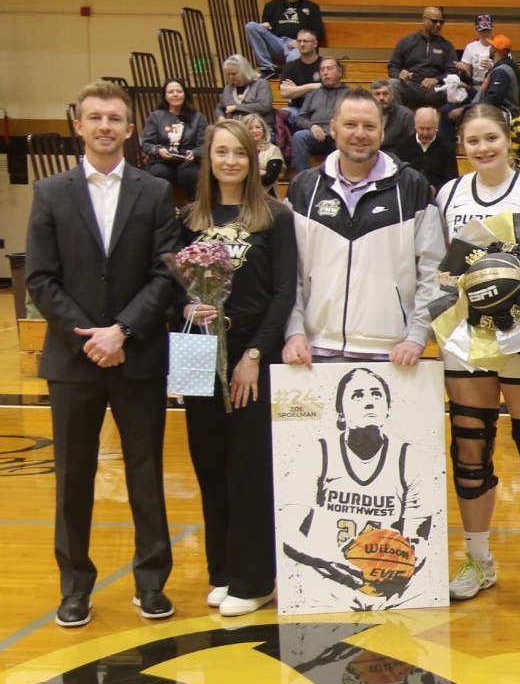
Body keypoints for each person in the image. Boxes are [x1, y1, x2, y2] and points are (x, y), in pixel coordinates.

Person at [27, 81, 184, 628]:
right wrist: (89, 339)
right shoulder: (50, 193)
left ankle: (151, 583)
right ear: (79, 124)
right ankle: (74, 587)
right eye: (95, 117)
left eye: (115, 118)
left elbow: (166, 272)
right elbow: (42, 280)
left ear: (129, 128)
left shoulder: (154, 191)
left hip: (137, 354)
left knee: (145, 473)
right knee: (72, 477)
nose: (105, 127)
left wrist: (121, 331)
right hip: (72, 363)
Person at [430, 106, 520, 605]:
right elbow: (440, 266)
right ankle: (478, 560)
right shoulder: (448, 195)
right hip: (469, 340)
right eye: (473, 140)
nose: (483, 147)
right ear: (462, 145)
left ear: (508, 139)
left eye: (491, 137)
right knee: (470, 448)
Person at [178, 119, 297, 616]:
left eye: (239, 154)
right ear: (208, 159)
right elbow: (170, 289)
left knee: (249, 465)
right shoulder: (187, 218)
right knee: (209, 462)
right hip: (198, 348)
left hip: (252, 349)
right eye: (221, 152)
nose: (229, 161)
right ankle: (224, 570)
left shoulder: (274, 216)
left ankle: (255, 578)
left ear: (254, 161)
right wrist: (185, 308)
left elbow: (283, 293)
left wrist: (255, 356)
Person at [282, 87, 443, 367]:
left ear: (382, 132)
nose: (360, 134)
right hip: (313, 350)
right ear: (333, 128)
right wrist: (294, 331)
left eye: (369, 126)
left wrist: (417, 335)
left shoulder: (411, 186)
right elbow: (287, 271)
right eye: (350, 124)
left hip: (393, 353)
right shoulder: (303, 187)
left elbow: (433, 268)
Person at [280, 366, 438, 601]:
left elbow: (419, 538)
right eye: (357, 395)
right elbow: (288, 532)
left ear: (387, 409)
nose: (369, 402)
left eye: (376, 394)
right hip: (324, 588)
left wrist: (398, 565)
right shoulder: (317, 453)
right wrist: (330, 560)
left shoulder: (410, 458)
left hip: (388, 592)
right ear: (341, 413)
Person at [245, 0, 325, 76]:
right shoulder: (272, 6)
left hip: (297, 46)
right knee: (250, 26)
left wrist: (301, 41)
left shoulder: (312, 7)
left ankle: (286, 79)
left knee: (293, 58)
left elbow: (318, 33)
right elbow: (265, 31)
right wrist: (264, 27)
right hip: (276, 42)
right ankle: (267, 68)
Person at [140, 79, 206, 198]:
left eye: (179, 91)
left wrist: (195, 153)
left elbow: (204, 145)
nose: (175, 94)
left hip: (188, 160)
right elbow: (146, 144)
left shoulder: (198, 117)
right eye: (171, 92)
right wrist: (159, 150)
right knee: (159, 173)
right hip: (161, 160)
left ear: (185, 94)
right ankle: (164, 210)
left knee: (189, 174)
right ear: (165, 96)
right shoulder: (155, 117)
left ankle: (196, 208)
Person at [387, 6, 460, 111]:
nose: (438, 25)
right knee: (393, 84)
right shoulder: (407, 42)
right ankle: (400, 120)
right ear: (424, 20)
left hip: (435, 90)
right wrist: (400, 75)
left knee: (454, 88)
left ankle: (447, 126)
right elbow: (393, 67)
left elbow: (452, 72)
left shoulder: (447, 46)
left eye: (441, 22)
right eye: (434, 21)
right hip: (411, 87)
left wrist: (436, 79)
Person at [288, 56, 348, 172]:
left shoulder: (350, 94)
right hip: (317, 136)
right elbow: (301, 118)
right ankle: (304, 179)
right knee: (299, 137)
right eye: (322, 70)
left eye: (329, 69)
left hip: (338, 136)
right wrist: (312, 126)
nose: (325, 72)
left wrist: (337, 130)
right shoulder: (313, 94)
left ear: (340, 72)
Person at [395, 107, 458, 194]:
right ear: (415, 126)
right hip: (409, 194)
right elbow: (398, 176)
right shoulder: (403, 145)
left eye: (429, 129)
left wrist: (436, 190)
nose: (425, 133)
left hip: (438, 196)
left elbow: (452, 180)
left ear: (436, 126)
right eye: (421, 129)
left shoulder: (447, 147)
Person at [471, 34, 520, 115]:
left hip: (498, 115)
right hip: (493, 112)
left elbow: (493, 99)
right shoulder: (505, 67)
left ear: (494, 49)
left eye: (491, 46)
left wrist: (465, 108)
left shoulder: (501, 71)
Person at [276, 29, 325, 103]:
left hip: (319, 108)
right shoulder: (289, 66)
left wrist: (296, 89)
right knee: (284, 112)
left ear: (315, 43)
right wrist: (313, 86)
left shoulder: (325, 64)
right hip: (296, 108)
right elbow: (284, 93)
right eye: (299, 41)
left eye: (305, 41)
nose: (302, 44)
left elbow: (326, 92)